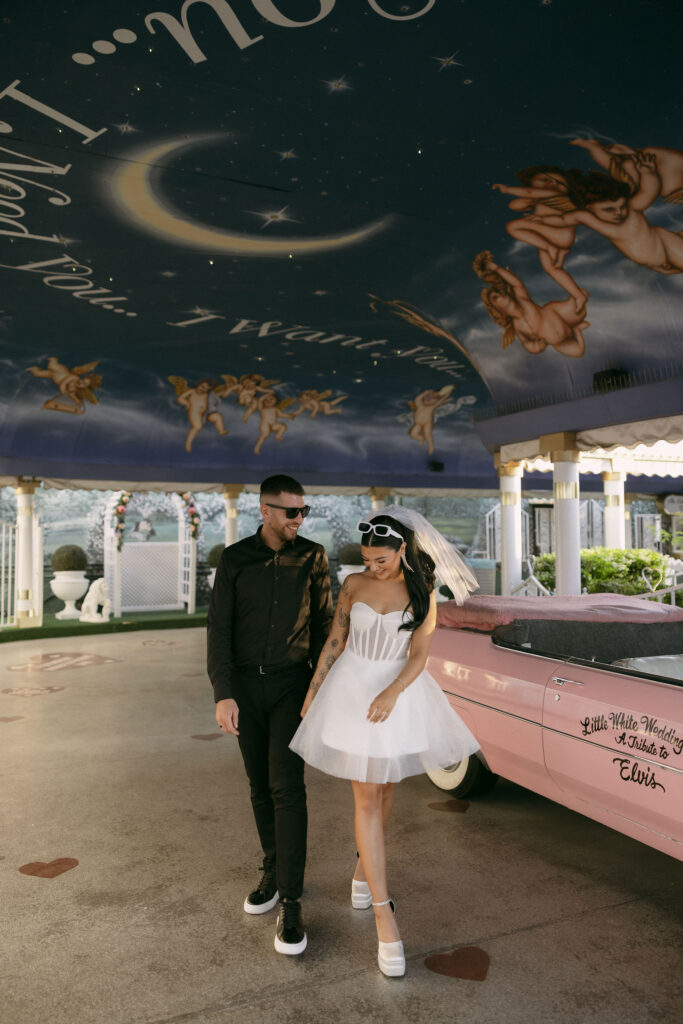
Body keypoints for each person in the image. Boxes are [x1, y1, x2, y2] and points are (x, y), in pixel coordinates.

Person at [290, 507, 479, 977]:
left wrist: (393, 691)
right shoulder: (352, 585)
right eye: (367, 559)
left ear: (402, 550)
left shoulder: (422, 590)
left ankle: (360, 871)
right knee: (367, 796)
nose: (372, 567)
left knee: (387, 788)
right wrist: (313, 693)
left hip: (398, 694)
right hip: (351, 693)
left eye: (381, 560)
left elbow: (420, 653)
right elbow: (335, 639)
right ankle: (382, 911)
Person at [207, 475, 333, 956]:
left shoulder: (314, 556)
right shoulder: (235, 560)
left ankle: (293, 902)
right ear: (265, 510)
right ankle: (273, 870)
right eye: (290, 512)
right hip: (243, 687)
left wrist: (318, 689)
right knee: (259, 784)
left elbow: (324, 626)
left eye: (304, 511)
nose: (299, 520)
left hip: (291, 687)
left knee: (287, 786)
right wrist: (223, 693)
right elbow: (218, 629)